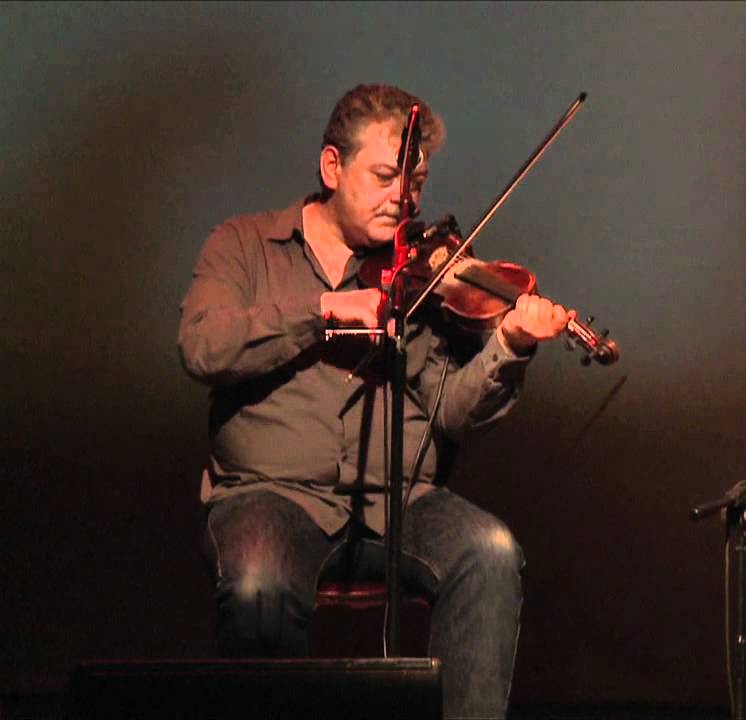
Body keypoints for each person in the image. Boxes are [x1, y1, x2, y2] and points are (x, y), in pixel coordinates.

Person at [178, 83, 573, 719]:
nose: (404, 199)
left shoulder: (417, 274)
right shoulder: (244, 246)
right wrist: (322, 311)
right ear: (333, 167)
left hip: (401, 501)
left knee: (490, 552)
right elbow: (203, 347)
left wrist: (510, 346)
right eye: (386, 176)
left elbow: (452, 410)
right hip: (274, 492)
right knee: (256, 582)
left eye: (414, 181)